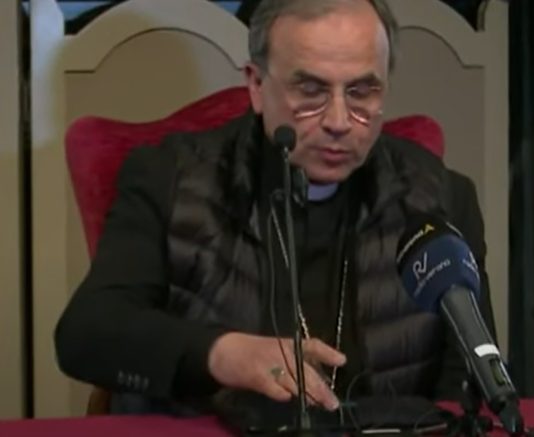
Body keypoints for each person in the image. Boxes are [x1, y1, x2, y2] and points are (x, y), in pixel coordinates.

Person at [54, 0, 497, 416]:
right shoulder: (169, 179)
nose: (339, 121)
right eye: (311, 90)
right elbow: (87, 334)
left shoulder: (442, 197)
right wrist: (221, 354)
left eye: (362, 91)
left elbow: (469, 374)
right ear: (256, 85)